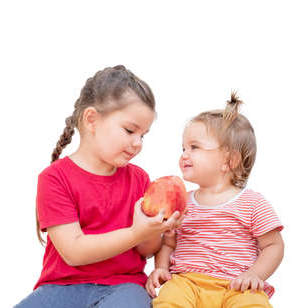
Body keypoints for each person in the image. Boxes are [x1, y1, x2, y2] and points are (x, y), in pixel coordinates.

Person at [14, 65, 183, 308]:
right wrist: (135, 232)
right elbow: (74, 251)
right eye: (129, 130)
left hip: (124, 286)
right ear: (92, 119)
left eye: (143, 135)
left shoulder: (139, 179)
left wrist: (155, 230)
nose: (137, 143)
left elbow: (145, 249)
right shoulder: (54, 178)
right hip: (62, 287)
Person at [146, 92, 285, 308]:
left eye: (195, 147)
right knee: (169, 299)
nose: (184, 154)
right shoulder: (182, 201)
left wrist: (254, 275)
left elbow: (274, 245)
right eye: (183, 148)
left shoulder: (253, 203)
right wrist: (161, 267)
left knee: (253, 303)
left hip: (236, 286)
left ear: (229, 161)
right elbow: (168, 242)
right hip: (187, 282)